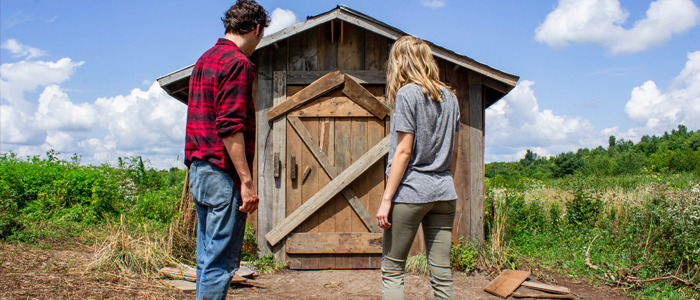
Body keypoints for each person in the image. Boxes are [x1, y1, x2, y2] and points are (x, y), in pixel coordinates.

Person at [184, 1, 269, 299]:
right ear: (257, 29)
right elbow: (230, 127)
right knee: (220, 263)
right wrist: (246, 181)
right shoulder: (238, 63)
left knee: (206, 258)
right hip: (222, 175)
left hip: (199, 171)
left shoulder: (204, 60)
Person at [376, 36, 461, 300]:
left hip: (411, 193)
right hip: (445, 193)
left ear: (401, 61)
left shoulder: (407, 93)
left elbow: (403, 152)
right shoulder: (451, 98)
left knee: (392, 270)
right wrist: (444, 177)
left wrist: (386, 199)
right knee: (442, 274)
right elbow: (453, 152)